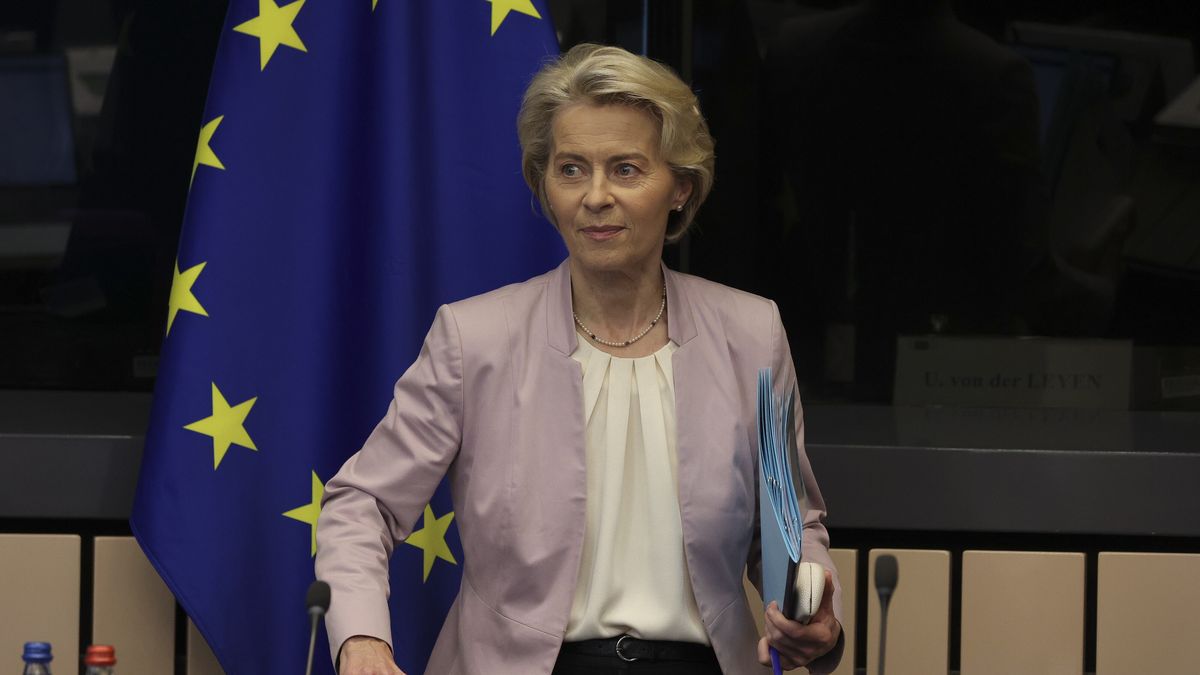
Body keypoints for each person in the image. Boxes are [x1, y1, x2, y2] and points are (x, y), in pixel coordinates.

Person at [315, 43, 843, 675]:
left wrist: (812, 612)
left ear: (680, 186)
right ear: (546, 185)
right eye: (571, 169)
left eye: (626, 169)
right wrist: (362, 640)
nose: (595, 196)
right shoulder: (474, 338)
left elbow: (788, 525)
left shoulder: (752, 333)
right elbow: (361, 506)